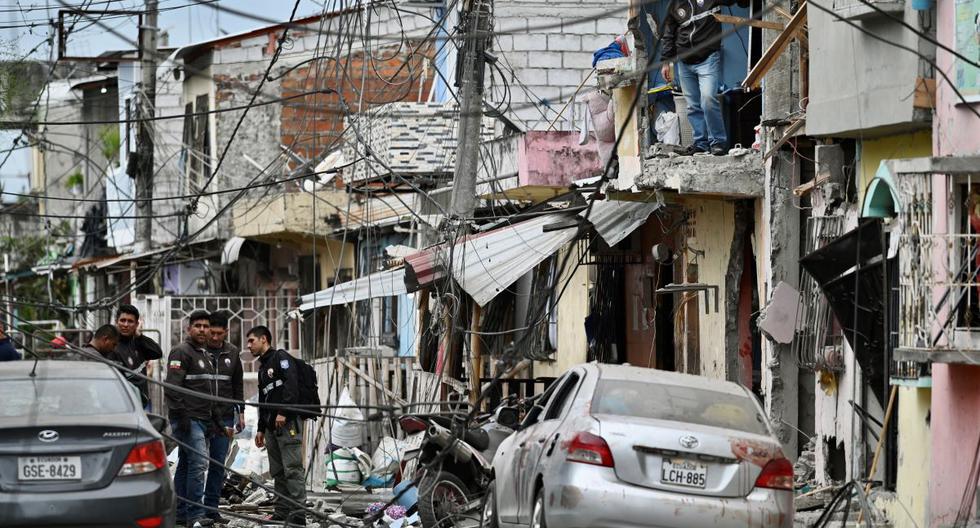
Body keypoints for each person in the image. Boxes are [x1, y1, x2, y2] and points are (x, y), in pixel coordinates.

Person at [660, 0, 748, 156]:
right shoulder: (674, 4)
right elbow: (668, 33)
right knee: (693, 105)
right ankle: (701, 143)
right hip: (685, 62)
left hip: (708, 58)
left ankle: (718, 142)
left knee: (708, 99)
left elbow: (740, 2)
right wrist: (666, 61)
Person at [247, 326, 306, 526]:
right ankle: (282, 511)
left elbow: (291, 386)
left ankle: (298, 515)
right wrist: (261, 428)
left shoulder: (281, 357)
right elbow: (264, 400)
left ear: (264, 339)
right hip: (272, 427)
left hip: (287, 423)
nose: (249, 346)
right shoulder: (263, 368)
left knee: (292, 469)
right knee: (278, 471)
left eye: (251, 341)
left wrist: (283, 412)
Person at [165, 310, 217, 528]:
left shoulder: (204, 355)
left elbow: (207, 390)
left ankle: (181, 514)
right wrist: (182, 415)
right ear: (189, 329)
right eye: (198, 326)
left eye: (206, 326)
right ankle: (195, 515)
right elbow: (172, 388)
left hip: (203, 419)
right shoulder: (181, 352)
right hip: (189, 419)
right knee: (198, 465)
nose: (203, 330)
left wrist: (213, 419)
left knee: (186, 465)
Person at [202, 311, 244, 526]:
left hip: (226, 416)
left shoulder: (233, 353)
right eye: (212, 333)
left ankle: (211, 509)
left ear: (226, 332)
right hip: (200, 416)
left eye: (220, 333)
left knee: (218, 464)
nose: (215, 337)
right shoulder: (198, 351)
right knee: (197, 463)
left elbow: (238, 385)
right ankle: (192, 508)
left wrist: (241, 413)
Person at [114, 304, 164, 409]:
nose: (126, 324)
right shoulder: (111, 345)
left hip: (142, 403)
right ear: (116, 322)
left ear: (137, 324)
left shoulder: (139, 343)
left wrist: (139, 336)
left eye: (130, 321)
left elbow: (158, 353)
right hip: (122, 405)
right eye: (122, 320)